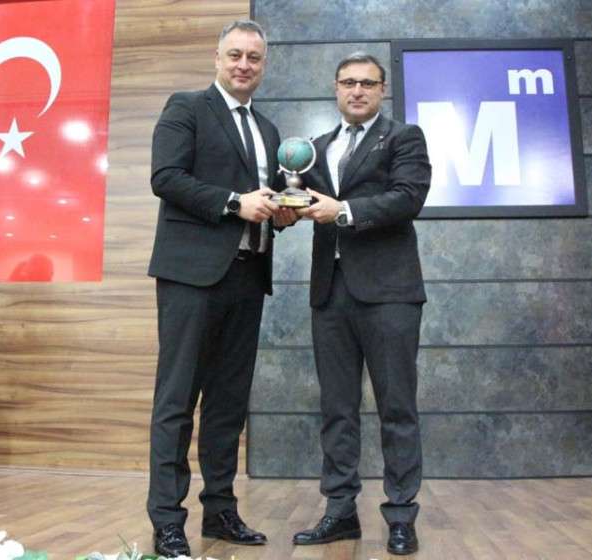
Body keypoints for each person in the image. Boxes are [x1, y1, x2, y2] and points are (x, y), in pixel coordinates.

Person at [146, 19, 294, 557]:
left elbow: (265, 199)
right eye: (235, 55)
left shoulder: (269, 130)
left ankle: (221, 511)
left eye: (254, 57)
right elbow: (166, 177)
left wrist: (281, 214)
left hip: (248, 277)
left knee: (228, 403)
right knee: (177, 400)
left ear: (264, 65)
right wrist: (235, 203)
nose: (244, 65)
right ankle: (167, 521)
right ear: (217, 58)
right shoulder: (186, 107)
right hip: (191, 276)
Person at [292, 53, 431, 556]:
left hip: (390, 293)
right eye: (348, 82)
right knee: (336, 409)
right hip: (330, 292)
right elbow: (303, 202)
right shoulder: (315, 148)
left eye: (367, 83)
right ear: (335, 88)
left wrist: (344, 211)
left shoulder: (403, 138)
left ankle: (401, 515)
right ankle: (340, 512)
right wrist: (285, 211)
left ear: (382, 89)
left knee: (397, 407)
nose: (357, 91)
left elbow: (409, 197)